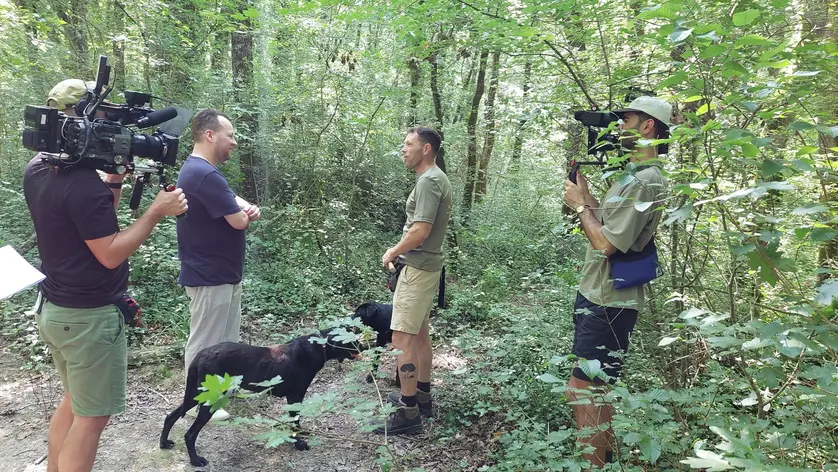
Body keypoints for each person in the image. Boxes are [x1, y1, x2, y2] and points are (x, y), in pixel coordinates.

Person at [23, 79, 188, 472]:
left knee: (74, 402)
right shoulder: (81, 186)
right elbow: (110, 253)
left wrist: (113, 179)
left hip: (57, 310)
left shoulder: (40, 167)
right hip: (88, 320)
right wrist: (155, 211)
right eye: (103, 117)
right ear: (82, 119)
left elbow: (95, 220)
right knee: (92, 418)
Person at [562, 96, 671, 467]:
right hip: (599, 294)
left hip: (609, 301)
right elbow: (608, 223)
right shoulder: (632, 175)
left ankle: (593, 464)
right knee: (595, 389)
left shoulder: (645, 180)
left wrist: (580, 206)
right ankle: (604, 461)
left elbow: (607, 244)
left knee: (582, 390)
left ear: (648, 126)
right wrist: (585, 195)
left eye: (626, 118)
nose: (619, 125)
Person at [176, 109, 260, 420]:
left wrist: (243, 207)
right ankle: (199, 401)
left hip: (221, 273)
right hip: (209, 274)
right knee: (206, 342)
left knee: (225, 341)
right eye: (230, 136)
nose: (234, 142)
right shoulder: (204, 174)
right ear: (210, 135)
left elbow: (233, 201)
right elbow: (238, 221)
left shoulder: (201, 171)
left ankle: (221, 391)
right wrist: (244, 214)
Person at [374, 126, 452, 435]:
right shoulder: (433, 178)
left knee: (401, 338)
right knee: (418, 333)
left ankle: (408, 413)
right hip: (425, 267)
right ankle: (421, 395)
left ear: (426, 149)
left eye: (409, 144)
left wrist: (392, 252)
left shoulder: (430, 180)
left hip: (418, 269)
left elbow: (420, 230)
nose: (403, 149)